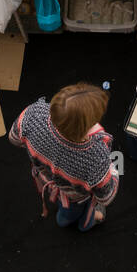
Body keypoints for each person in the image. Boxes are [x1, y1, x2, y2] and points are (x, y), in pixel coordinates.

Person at [9, 82, 118, 230]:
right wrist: (113, 170)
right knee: (71, 216)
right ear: (86, 127)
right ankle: (89, 221)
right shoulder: (95, 157)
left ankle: (66, 218)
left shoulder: (33, 114)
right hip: (74, 197)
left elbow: (14, 138)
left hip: (48, 181)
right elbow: (106, 197)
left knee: (64, 212)